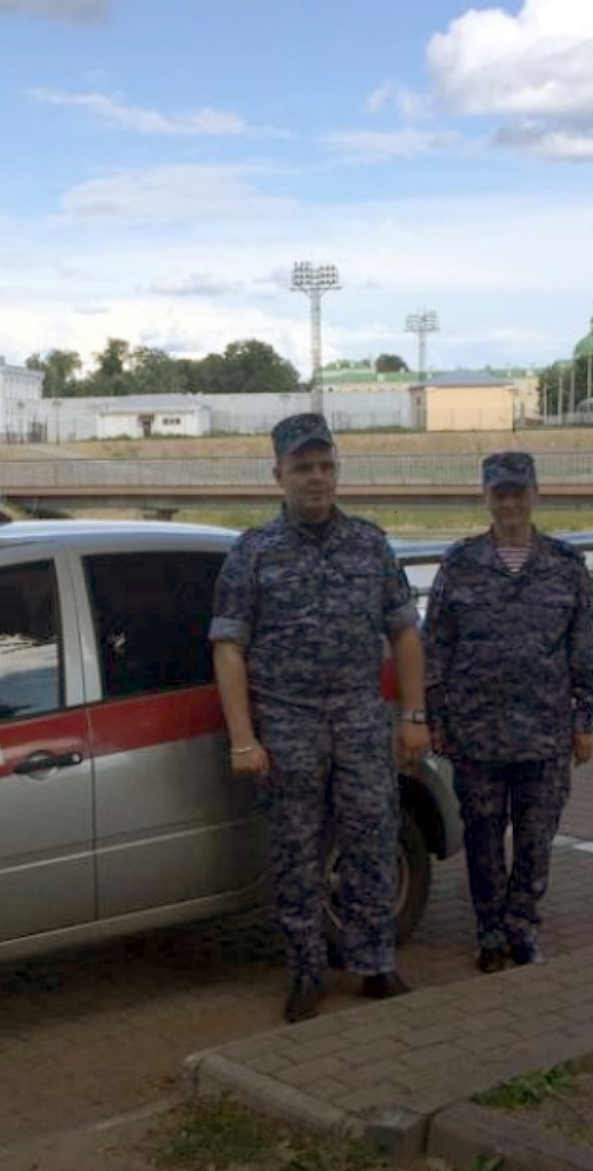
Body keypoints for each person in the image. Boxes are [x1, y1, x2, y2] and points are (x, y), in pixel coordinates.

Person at [211, 412, 430, 1024]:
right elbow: (229, 648)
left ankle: (374, 963)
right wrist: (242, 738)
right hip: (287, 727)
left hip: (362, 721)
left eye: (326, 466)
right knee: (297, 854)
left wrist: (414, 714)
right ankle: (307, 972)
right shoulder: (252, 553)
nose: (316, 478)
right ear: (278, 474)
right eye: (303, 468)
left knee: (371, 842)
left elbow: (406, 633)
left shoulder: (370, 543)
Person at [423, 451, 593, 972]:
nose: (510, 503)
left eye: (518, 492)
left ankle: (522, 925)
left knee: (535, 835)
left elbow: (585, 650)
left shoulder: (566, 567)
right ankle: (489, 932)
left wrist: (585, 720)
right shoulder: (459, 565)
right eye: (500, 493)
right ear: (485, 498)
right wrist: (435, 716)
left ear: (535, 496)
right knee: (482, 835)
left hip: (546, 731)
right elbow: (435, 646)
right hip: (475, 730)